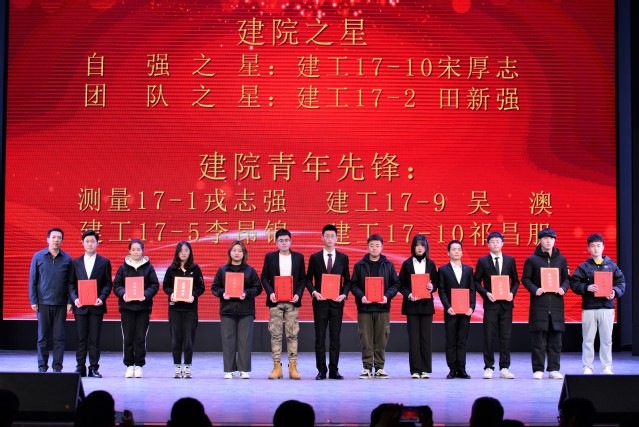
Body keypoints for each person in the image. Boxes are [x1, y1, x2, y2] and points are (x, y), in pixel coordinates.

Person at [569, 233, 625, 375]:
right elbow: (574, 283)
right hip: (589, 307)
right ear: (588, 248)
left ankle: (607, 366)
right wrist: (586, 287)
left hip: (607, 307)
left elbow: (621, 283)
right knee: (588, 339)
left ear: (603, 247)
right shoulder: (583, 267)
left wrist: (614, 292)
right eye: (592, 246)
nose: (596, 249)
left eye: (598, 246)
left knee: (607, 339)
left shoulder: (611, 265)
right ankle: (587, 366)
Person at [521, 228, 570, 380]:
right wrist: (535, 289)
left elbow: (567, 279)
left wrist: (563, 288)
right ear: (539, 240)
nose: (549, 241)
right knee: (538, 339)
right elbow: (525, 279)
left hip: (556, 304)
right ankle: (538, 369)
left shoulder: (561, 259)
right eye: (545, 238)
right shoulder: (532, 260)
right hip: (539, 303)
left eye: (551, 238)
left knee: (556, 340)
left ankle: (554, 369)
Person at [350, 234, 400, 379]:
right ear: (367, 247)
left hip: (382, 308)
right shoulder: (360, 265)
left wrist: (387, 296)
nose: (374, 248)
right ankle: (366, 368)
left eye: (377, 245)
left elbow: (396, 284)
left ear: (382, 247)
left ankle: (379, 368)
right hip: (364, 308)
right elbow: (354, 285)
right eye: (371, 245)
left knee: (381, 339)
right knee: (365, 339)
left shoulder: (388, 265)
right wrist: (361, 296)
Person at [305, 224, 351, 380]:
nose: (330, 239)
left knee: (335, 337)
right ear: (322, 238)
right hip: (320, 303)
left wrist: (343, 294)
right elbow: (308, 279)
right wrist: (314, 292)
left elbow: (348, 281)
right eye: (327, 236)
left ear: (337, 238)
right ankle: (321, 370)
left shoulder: (343, 258)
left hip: (337, 303)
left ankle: (334, 370)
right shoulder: (315, 257)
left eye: (332, 236)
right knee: (320, 337)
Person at [212, 240, 262, 379]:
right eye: (234, 250)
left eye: (240, 251)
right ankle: (229, 370)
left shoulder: (250, 270)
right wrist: (222, 293)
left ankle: (244, 370)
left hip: (246, 310)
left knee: (244, 341)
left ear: (244, 254)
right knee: (228, 340)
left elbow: (258, 288)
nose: (237, 253)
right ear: (230, 253)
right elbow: (214, 287)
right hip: (227, 310)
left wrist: (246, 293)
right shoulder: (223, 270)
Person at [474, 231, 519, 379]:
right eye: (492, 242)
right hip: (490, 304)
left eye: (498, 241)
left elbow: (516, 280)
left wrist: (512, 293)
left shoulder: (510, 260)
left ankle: (504, 367)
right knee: (489, 336)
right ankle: (488, 367)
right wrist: (486, 293)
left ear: (502, 244)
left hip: (506, 304)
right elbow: (476, 281)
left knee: (506, 337)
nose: (495, 244)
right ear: (488, 244)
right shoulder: (482, 261)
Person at [261, 229, 306, 379]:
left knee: (292, 334)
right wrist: (270, 292)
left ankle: (293, 367)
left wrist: (298, 294)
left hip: (292, 302)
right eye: (281, 240)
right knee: (276, 334)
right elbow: (264, 277)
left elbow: (303, 279)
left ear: (290, 241)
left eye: (287, 240)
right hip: (275, 302)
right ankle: (277, 367)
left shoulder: (298, 257)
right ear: (276, 242)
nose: (284, 243)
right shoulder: (270, 257)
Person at [68, 230, 113, 378]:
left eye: (92, 241)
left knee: (94, 339)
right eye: (87, 241)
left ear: (97, 243)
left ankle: (93, 368)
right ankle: (80, 367)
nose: (89, 244)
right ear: (82, 243)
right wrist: (75, 298)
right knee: (81, 339)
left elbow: (108, 283)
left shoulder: (104, 262)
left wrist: (102, 298)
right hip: (80, 307)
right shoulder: (75, 263)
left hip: (96, 307)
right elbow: (71, 284)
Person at [113, 239, 159, 378]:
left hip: (143, 308)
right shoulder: (123, 267)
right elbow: (117, 285)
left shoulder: (149, 267)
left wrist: (145, 295)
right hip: (127, 308)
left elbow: (154, 285)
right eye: (133, 249)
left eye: (138, 249)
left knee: (140, 338)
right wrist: (123, 294)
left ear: (142, 251)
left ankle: (139, 365)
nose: (135, 252)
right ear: (129, 251)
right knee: (128, 337)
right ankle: (129, 365)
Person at [29, 227, 72, 373]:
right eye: (53, 237)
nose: (56, 240)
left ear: (62, 240)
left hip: (61, 304)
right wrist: (33, 300)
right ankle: (42, 367)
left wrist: (70, 301)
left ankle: (57, 368)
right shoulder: (38, 256)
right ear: (48, 239)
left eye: (59, 238)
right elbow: (33, 280)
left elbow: (70, 282)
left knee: (59, 338)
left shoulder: (67, 258)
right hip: (43, 303)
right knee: (42, 337)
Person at [162, 241, 205, 379]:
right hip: (175, 309)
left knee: (188, 339)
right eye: (181, 250)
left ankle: (187, 366)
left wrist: (193, 295)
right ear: (177, 253)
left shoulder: (195, 269)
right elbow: (166, 286)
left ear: (190, 252)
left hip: (190, 309)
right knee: (176, 339)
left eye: (186, 250)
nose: (184, 253)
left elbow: (201, 287)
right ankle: (177, 367)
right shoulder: (171, 269)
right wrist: (171, 294)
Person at [398, 234, 438, 379]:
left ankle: (425, 369)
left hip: (427, 306)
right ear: (413, 247)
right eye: (417, 245)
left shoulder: (431, 264)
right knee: (414, 339)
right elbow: (400, 285)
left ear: (426, 247)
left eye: (422, 245)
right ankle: (415, 370)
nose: (420, 248)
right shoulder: (406, 264)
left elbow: (436, 283)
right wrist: (409, 294)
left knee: (426, 338)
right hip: (412, 305)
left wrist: (432, 287)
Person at [438, 239, 475, 379]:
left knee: (462, 341)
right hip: (451, 311)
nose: (456, 251)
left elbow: (472, 290)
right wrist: (447, 307)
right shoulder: (443, 270)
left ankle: (462, 369)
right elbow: (441, 290)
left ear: (462, 252)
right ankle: (452, 369)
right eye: (453, 249)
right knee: (451, 341)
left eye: (459, 249)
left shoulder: (468, 270)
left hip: (465, 311)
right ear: (448, 253)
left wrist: (472, 306)